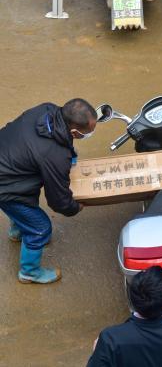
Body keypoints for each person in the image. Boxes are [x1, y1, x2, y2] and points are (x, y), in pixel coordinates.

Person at [0, 99, 97, 284]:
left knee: (24, 201)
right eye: (88, 132)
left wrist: (70, 157)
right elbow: (57, 200)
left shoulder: (47, 109)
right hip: (5, 184)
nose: (91, 133)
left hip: (7, 158)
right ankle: (29, 273)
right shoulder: (54, 155)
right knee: (40, 228)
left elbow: (58, 143)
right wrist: (74, 207)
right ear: (75, 131)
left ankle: (17, 231)